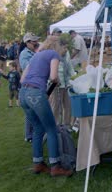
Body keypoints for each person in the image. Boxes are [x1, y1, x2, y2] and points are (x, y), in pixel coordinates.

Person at [19, 36, 73, 177]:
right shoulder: (54, 54)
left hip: (23, 93)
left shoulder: (36, 56)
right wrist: (56, 81)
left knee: (37, 128)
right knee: (52, 129)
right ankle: (55, 166)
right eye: (63, 47)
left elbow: (22, 79)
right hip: (36, 94)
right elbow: (54, 77)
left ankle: (38, 163)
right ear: (58, 46)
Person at [49, 33, 76, 127]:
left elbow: (69, 67)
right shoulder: (52, 55)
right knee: (55, 106)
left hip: (66, 84)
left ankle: (67, 125)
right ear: (59, 48)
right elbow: (50, 73)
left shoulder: (67, 54)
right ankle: (55, 126)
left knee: (68, 106)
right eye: (64, 48)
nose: (66, 50)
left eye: (67, 48)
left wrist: (74, 78)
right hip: (54, 85)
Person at [19, 32, 40, 142]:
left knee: (34, 111)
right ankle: (29, 135)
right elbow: (27, 68)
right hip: (29, 85)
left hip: (36, 84)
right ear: (27, 42)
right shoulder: (24, 54)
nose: (36, 43)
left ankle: (33, 134)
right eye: (34, 41)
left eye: (37, 41)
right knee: (30, 112)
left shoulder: (34, 52)